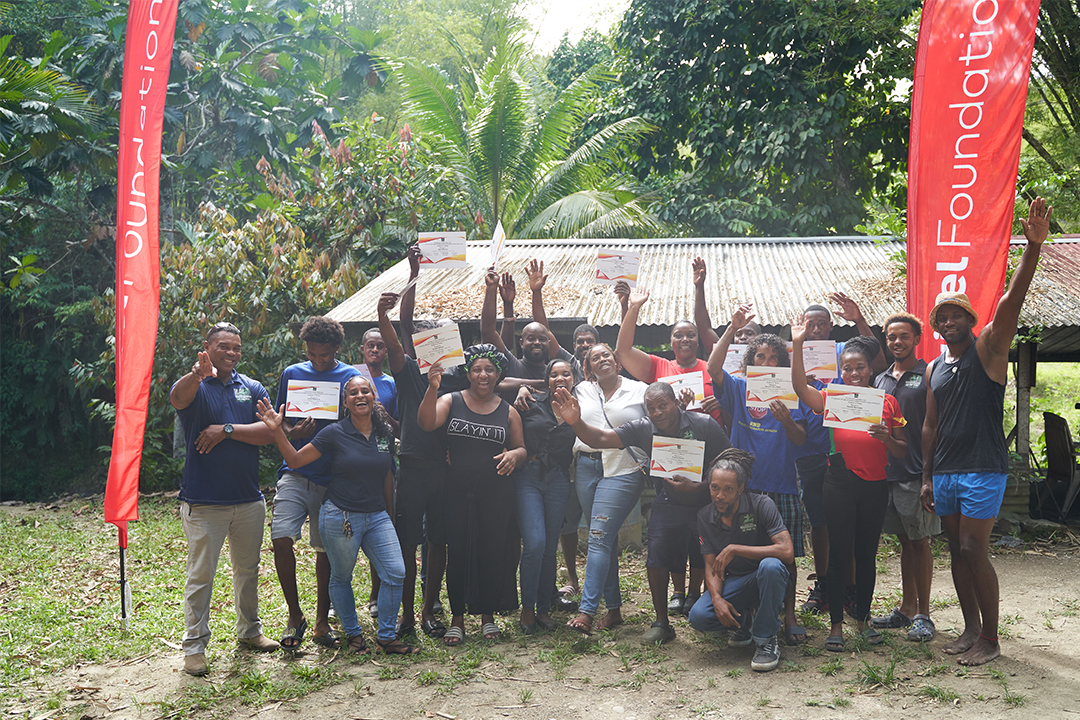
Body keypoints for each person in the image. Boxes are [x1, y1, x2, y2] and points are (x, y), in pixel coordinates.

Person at [922, 197, 1052, 666]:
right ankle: (971, 627)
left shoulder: (989, 350)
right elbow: (931, 424)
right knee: (956, 551)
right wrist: (925, 477)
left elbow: (1009, 302)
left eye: (956, 315)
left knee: (975, 548)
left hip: (983, 467)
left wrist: (1032, 250)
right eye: (942, 317)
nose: (948, 321)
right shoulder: (935, 368)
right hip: (947, 471)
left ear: (970, 322)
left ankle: (992, 638)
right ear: (936, 327)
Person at [552, 381, 731, 645]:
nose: (658, 412)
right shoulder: (643, 428)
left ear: (675, 403)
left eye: (663, 405)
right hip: (668, 501)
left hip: (705, 503)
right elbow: (600, 438)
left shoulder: (703, 424)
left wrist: (704, 486)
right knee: (655, 552)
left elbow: (729, 458)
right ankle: (661, 622)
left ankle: (717, 609)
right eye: (651, 408)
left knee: (712, 552)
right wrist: (576, 422)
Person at [257, 377, 417, 655]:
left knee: (396, 572)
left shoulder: (384, 433)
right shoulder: (334, 433)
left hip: (377, 515)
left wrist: (389, 517)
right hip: (340, 516)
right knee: (341, 576)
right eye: (352, 393)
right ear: (345, 402)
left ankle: (387, 636)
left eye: (364, 391)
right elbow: (294, 461)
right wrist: (277, 431)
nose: (359, 396)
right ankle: (354, 635)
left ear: (373, 396)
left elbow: (388, 476)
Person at [169, 322, 277, 677]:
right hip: (204, 502)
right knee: (201, 575)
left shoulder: (252, 387)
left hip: (248, 499)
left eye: (236, 348)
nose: (231, 353)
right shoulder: (198, 386)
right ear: (208, 347)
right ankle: (194, 647)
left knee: (248, 571)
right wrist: (196, 375)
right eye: (224, 347)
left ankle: (250, 632)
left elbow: (269, 432)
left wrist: (226, 431)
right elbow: (177, 398)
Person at [791, 326, 907, 652]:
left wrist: (888, 438)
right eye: (847, 368)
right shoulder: (832, 397)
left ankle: (864, 620)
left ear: (871, 370)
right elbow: (801, 389)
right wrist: (798, 343)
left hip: (874, 486)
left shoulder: (887, 401)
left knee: (866, 555)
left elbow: (902, 449)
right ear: (840, 371)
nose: (853, 373)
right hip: (839, 483)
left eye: (860, 367)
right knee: (839, 555)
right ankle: (836, 626)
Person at [706, 304, 809, 646]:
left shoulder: (793, 391)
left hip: (781, 485)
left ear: (782, 362)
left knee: (786, 556)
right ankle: (747, 617)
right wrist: (731, 328)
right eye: (760, 357)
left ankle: (789, 615)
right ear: (750, 362)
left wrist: (786, 421)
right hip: (745, 488)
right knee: (747, 558)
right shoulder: (738, 389)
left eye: (773, 357)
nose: (766, 363)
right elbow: (713, 368)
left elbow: (800, 439)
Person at [617, 285, 722, 615]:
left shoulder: (711, 368)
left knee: (701, 536)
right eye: (679, 335)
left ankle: (695, 593)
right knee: (672, 533)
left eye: (691, 335)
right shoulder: (658, 367)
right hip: (672, 460)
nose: (685, 340)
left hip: (708, 457)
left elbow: (732, 403)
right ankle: (677, 593)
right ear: (671, 341)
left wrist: (719, 403)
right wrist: (632, 306)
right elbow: (622, 351)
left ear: (698, 340)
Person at [418, 345, 528, 645]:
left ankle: (487, 615)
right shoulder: (450, 401)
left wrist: (515, 456)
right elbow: (426, 423)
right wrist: (432, 388)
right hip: (456, 491)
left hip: (496, 493)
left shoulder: (509, 411)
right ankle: (457, 618)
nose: (483, 374)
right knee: (459, 551)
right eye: (477, 369)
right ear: (468, 373)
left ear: (498, 375)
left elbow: (521, 447)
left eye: (489, 370)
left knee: (491, 551)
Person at [271, 316, 361, 652]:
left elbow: (361, 422)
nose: (317, 360)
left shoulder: (351, 376)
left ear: (336, 349)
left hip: (333, 477)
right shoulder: (293, 374)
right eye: (311, 354)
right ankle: (295, 616)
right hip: (295, 472)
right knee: (281, 537)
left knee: (325, 549)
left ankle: (322, 621)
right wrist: (293, 433)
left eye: (323, 355)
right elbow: (280, 424)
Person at [796, 295, 885, 615]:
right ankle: (824, 584)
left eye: (822, 324)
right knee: (819, 523)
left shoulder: (842, 351)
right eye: (811, 324)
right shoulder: (794, 354)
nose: (816, 329)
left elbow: (877, 361)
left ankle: (849, 588)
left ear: (832, 326)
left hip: (845, 452)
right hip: (809, 449)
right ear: (802, 326)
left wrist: (860, 318)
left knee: (847, 527)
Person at [564, 343, 648, 634]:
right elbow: (551, 382)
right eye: (595, 358)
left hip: (624, 468)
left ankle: (586, 611)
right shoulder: (582, 390)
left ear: (618, 363)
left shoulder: (639, 390)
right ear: (587, 370)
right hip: (587, 467)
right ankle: (613, 610)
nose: (602, 359)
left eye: (607, 355)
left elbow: (662, 417)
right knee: (606, 539)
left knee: (598, 537)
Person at [688, 449, 794, 673]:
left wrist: (736, 549)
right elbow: (710, 564)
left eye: (728, 489)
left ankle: (766, 638)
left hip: (766, 579)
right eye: (714, 488)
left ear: (741, 488)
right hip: (735, 583)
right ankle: (744, 620)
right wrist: (716, 598)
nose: (720, 495)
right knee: (699, 616)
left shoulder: (761, 505)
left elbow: (786, 551)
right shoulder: (704, 516)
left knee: (771, 566)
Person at [870, 314, 940, 642]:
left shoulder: (928, 374)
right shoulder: (880, 380)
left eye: (904, 336)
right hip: (888, 473)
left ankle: (924, 614)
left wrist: (931, 472)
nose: (897, 342)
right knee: (904, 542)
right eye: (891, 337)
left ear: (917, 339)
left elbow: (936, 423)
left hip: (916, 472)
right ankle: (906, 609)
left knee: (919, 542)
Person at [515, 358, 578, 634]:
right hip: (528, 475)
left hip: (559, 479)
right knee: (535, 543)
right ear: (547, 379)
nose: (560, 378)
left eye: (566, 373)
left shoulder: (580, 407)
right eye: (554, 375)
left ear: (574, 379)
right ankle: (526, 608)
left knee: (550, 545)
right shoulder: (530, 401)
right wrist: (521, 389)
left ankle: (543, 609)